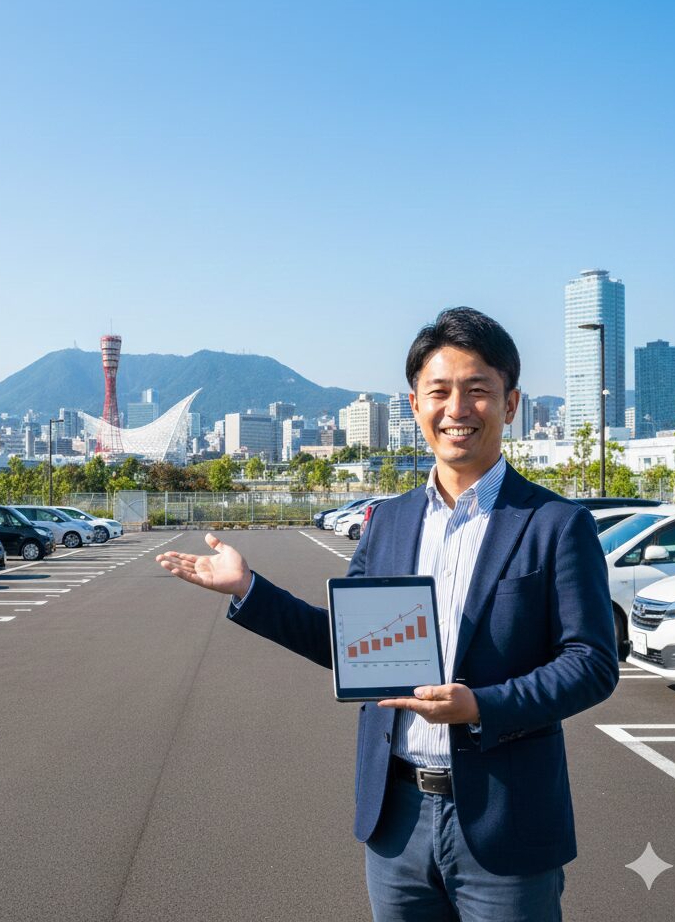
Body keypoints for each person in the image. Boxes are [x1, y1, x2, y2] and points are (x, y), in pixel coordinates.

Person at [156, 307, 618, 922]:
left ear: (510, 404)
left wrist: (483, 706)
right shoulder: (390, 520)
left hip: (507, 822)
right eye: (440, 390)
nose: (458, 408)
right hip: (397, 817)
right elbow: (352, 646)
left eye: (479, 390)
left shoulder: (555, 524)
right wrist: (249, 589)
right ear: (415, 404)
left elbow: (592, 663)